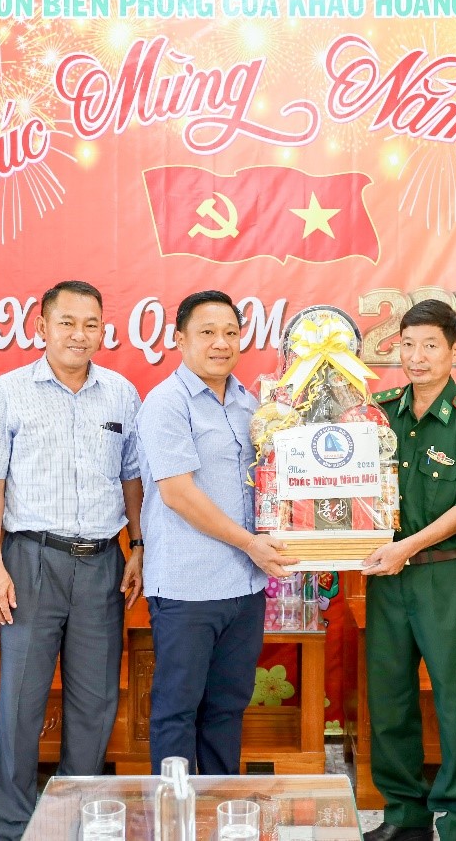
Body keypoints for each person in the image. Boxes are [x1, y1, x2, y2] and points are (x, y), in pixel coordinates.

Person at [0, 281, 144, 841]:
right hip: (30, 560)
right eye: (67, 322)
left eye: (91, 324)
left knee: (95, 699)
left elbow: (132, 478)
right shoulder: (10, 392)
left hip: (102, 563)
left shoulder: (121, 394)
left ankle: (74, 816)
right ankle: (15, 826)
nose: (79, 335)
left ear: (103, 330)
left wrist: (137, 546)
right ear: (41, 327)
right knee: (22, 698)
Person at [135, 289, 297, 774]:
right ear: (179, 339)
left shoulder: (252, 404)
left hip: (244, 585)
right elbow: (178, 494)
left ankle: (220, 803)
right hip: (188, 586)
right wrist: (251, 544)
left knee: (228, 706)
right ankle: (176, 809)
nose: (220, 343)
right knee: (177, 709)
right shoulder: (166, 403)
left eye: (230, 332)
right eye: (207, 332)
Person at [363, 299, 456, 841]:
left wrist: (409, 547)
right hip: (386, 579)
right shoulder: (376, 413)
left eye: (430, 346)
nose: (416, 357)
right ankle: (404, 814)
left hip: (445, 576)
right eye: (408, 345)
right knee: (389, 698)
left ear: (455, 350)